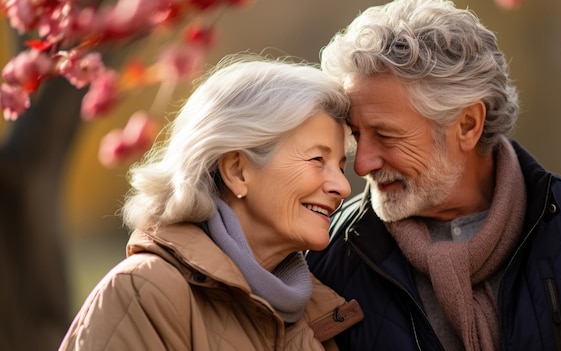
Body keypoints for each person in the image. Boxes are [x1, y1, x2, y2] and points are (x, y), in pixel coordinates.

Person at [305, 0, 561, 350]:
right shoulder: (323, 259)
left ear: (468, 125)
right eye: (356, 135)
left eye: (385, 135)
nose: (362, 164)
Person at [59, 54, 364, 351]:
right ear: (237, 171)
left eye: (340, 166)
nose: (342, 186)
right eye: (317, 159)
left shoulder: (320, 315)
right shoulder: (144, 292)